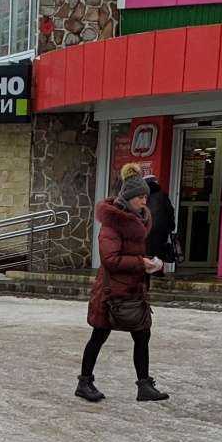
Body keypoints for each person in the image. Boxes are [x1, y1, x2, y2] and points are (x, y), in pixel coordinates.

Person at [77, 173, 167, 404]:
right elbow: (110, 259)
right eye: (140, 197)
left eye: (145, 197)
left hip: (133, 289)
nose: (144, 201)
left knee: (143, 335)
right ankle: (84, 382)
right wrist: (140, 263)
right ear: (128, 198)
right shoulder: (113, 224)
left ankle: (144, 385)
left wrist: (149, 263)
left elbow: (130, 255)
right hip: (110, 292)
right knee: (99, 334)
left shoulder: (137, 221)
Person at [143, 174, 177, 268]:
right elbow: (170, 211)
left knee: (146, 250)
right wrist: (171, 226)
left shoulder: (142, 196)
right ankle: (157, 271)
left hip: (145, 228)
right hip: (161, 229)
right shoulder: (163, 195)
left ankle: (147, 272)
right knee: (158, 251)